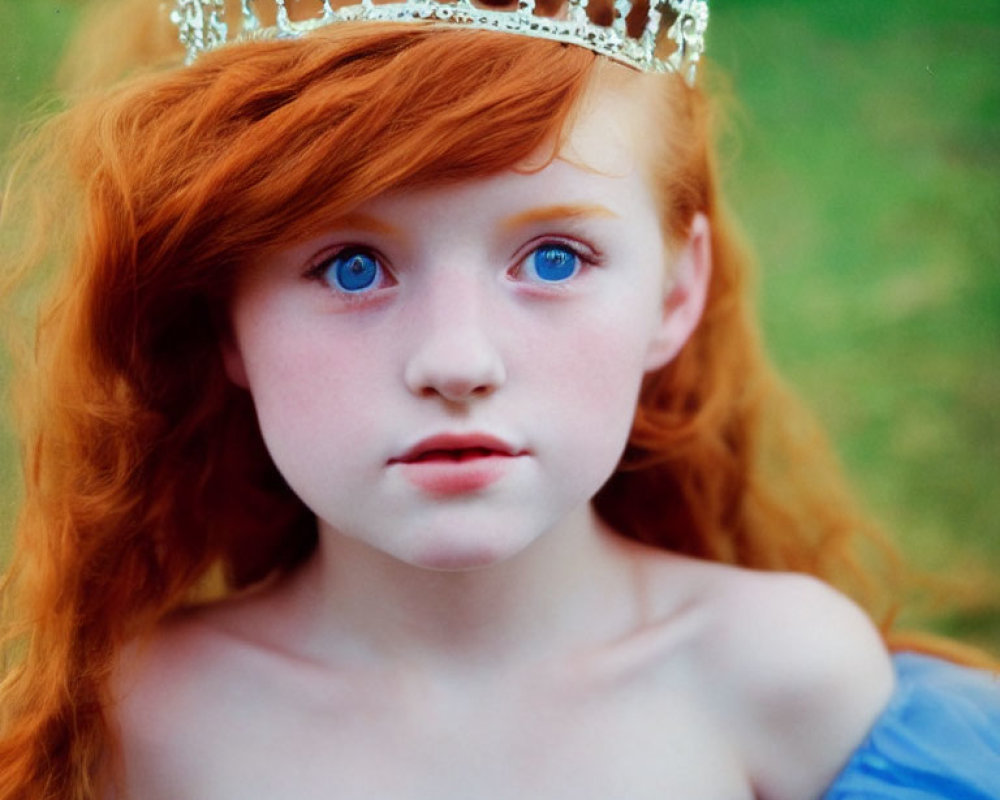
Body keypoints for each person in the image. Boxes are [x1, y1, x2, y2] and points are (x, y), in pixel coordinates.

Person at [0, 1, 997, 798]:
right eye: (351, 267)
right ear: (225, 323)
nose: (457, 358)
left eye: (554, 256)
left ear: (674, 290)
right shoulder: (142, 723)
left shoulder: (780, 679)